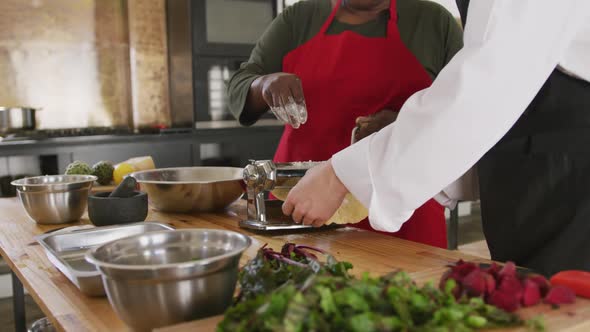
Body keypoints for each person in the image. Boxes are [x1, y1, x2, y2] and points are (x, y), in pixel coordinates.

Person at [282, 0, 590, 276]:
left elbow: (488, 81)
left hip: (567, 180)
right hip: (537, 174)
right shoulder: (299, 18)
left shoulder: (432, 20)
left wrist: (343, 176)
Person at [227, 0, 463, 248]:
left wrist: (401, 127)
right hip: (301, 209)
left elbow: (463, 114)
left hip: (403, 214)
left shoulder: (435, 23)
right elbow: (239, 86)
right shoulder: (299, 18)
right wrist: (264, 85)